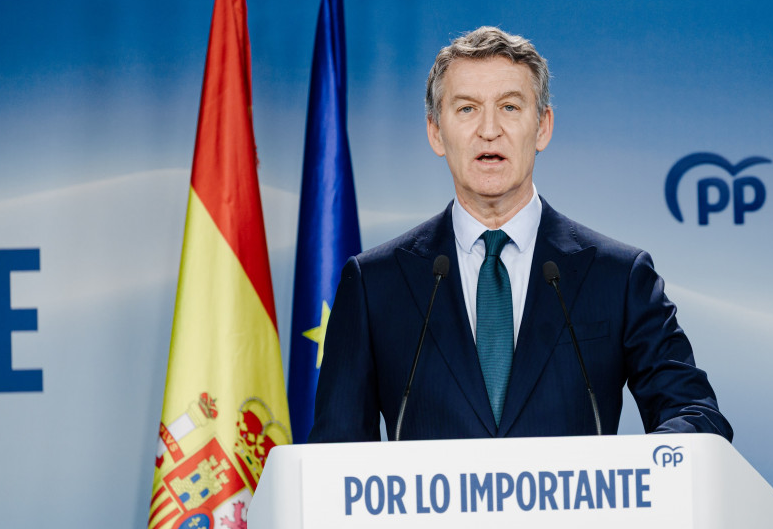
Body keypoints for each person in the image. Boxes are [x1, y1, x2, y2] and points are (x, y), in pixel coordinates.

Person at [307, 26, 732, 442]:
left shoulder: (618, 276)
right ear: (436, 132)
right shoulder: (374, 284)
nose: (489, 129)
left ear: (542, 126)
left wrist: (636, 471)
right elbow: (335, 453)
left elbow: (695, 414)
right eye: (467, 108)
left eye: (510, 107)